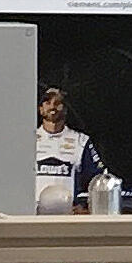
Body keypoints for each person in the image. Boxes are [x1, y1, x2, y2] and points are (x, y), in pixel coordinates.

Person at [33, 85, 103, 213]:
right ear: (40, 109)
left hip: (68, 214)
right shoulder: (28, 140)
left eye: (58, 103)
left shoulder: (81, 140)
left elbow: (97, 179)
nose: (53, 107)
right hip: (33, 214)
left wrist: (83, 205)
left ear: (65, 109)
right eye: (47, 103)